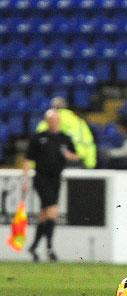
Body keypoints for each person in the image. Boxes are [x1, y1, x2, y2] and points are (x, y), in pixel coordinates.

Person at [23, 110, 79, 261]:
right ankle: (50, 248)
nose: (54, 122)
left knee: (44, 215)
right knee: (52, 210)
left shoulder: (65, 138)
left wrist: (69, 155)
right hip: (41, 179)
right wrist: (26, 179)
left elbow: (76, 155)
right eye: (51, 120)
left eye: (56, 120)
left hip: (56, 179)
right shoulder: (39, 137)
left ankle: (34, 247)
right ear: (47, 121)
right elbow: (28, 159)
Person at [36, 96, 97, 169]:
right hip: (76, 162)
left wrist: (34, 166)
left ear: (52, 108)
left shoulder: (45, 123)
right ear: (66, 107)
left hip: (51, 163)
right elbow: (89, 144)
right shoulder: (79, 122)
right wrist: (90, 164)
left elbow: (36, 146)